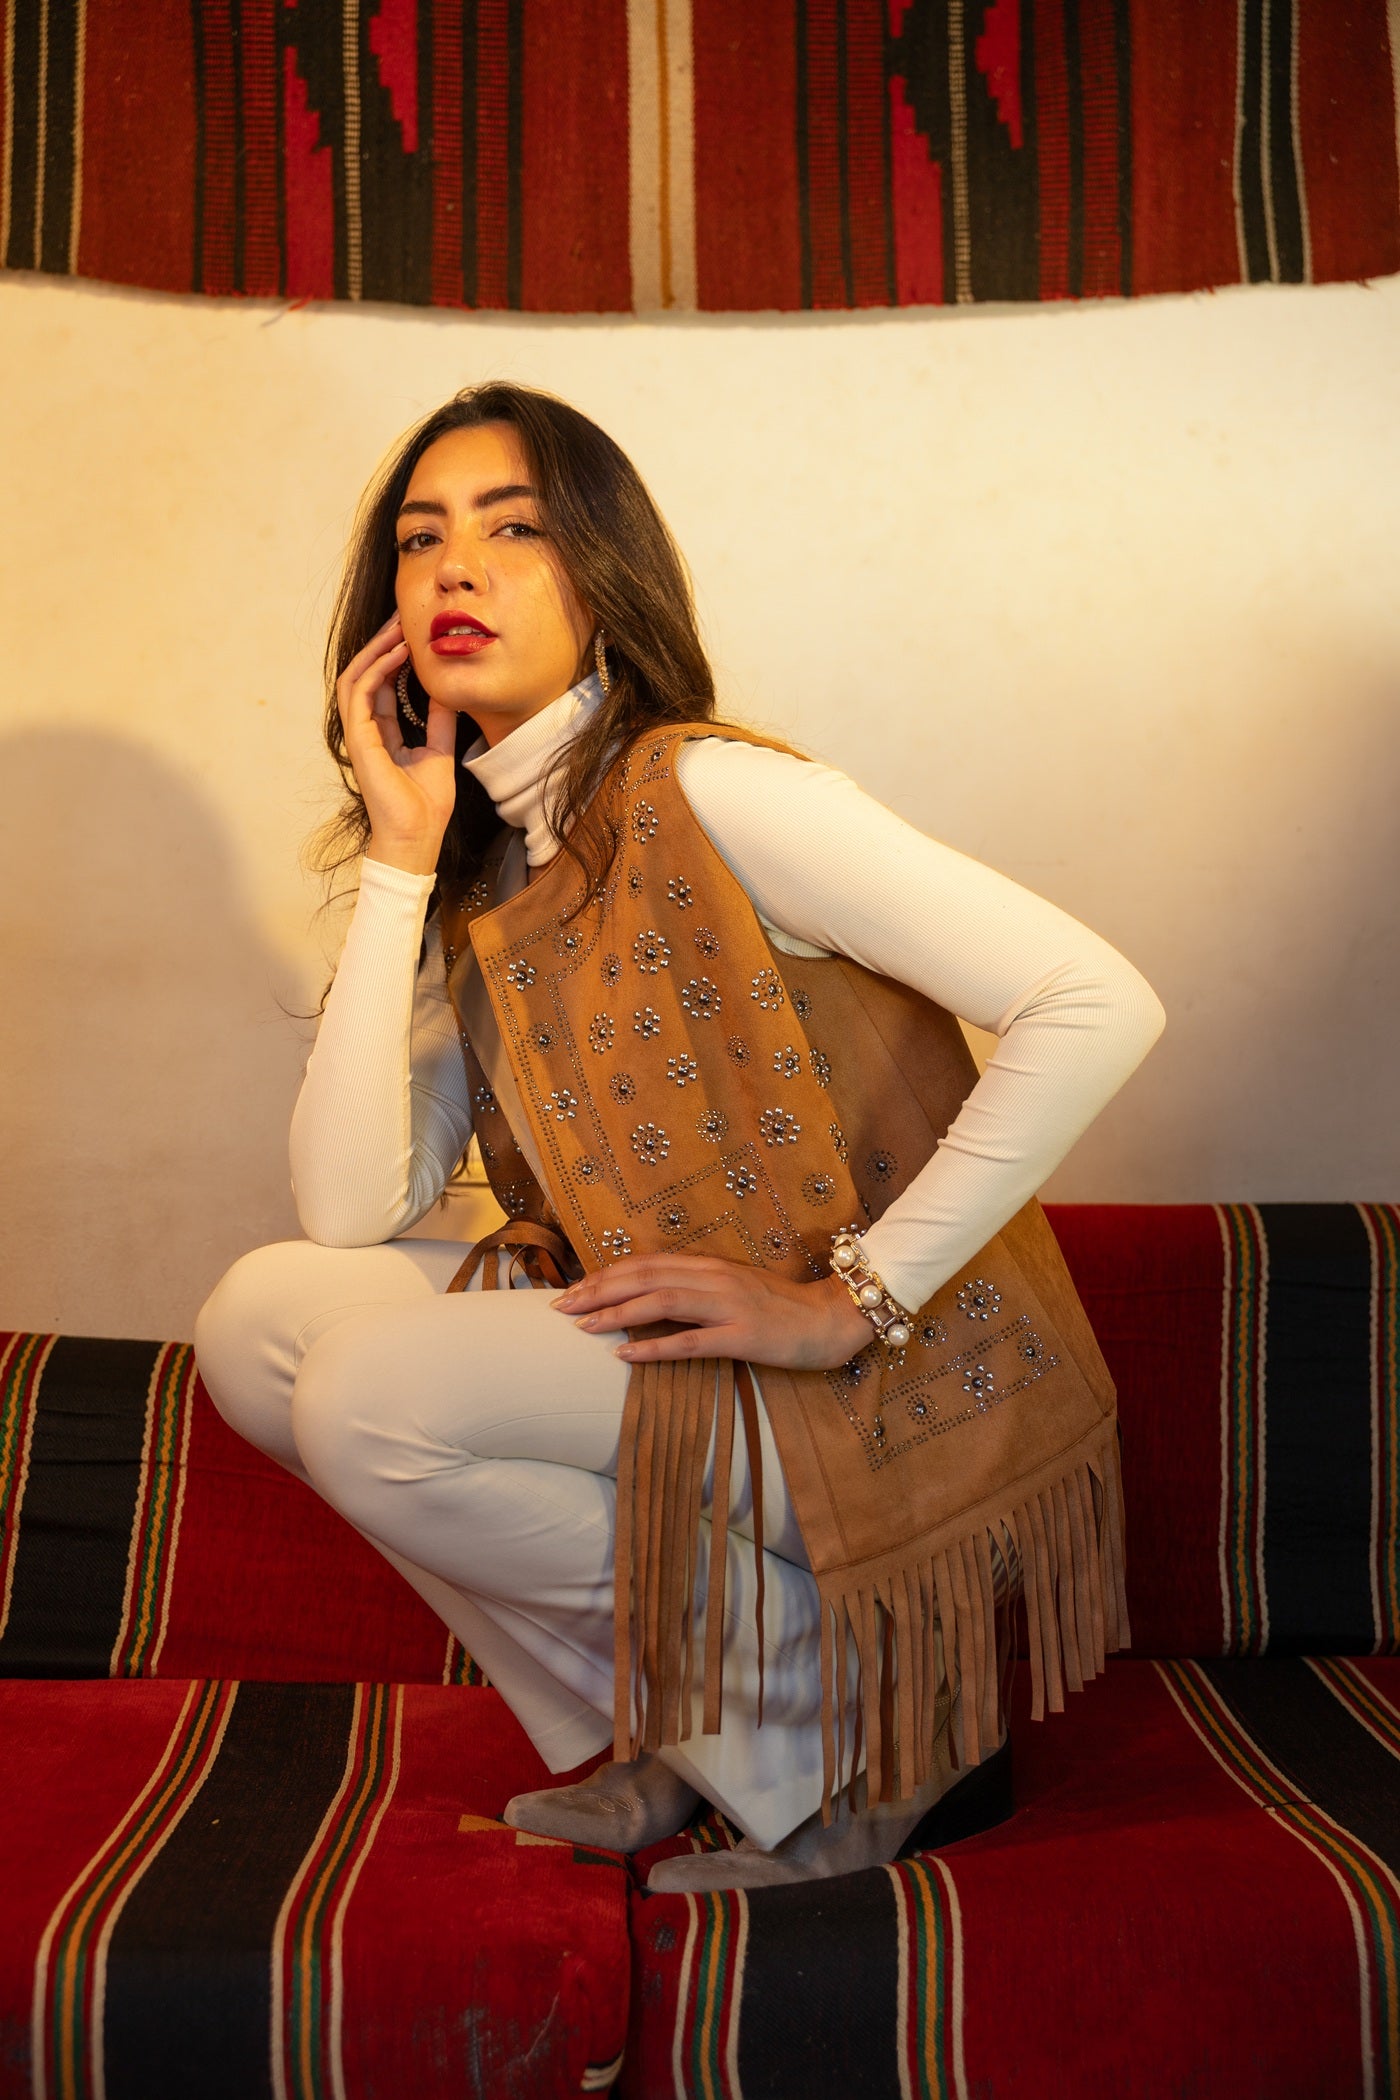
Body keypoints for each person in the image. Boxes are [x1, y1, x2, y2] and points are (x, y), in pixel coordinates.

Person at [194, 382, 1164, 1893]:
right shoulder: (486, 869)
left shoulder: (712, 791)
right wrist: (398, 857)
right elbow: (340, 1209)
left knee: (373, 1393)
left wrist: (846, 1302)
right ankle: (702, 1733)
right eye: (421, 538)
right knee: (257, 1324)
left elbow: (1094, 999)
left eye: (514, 529)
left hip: (880, 1384)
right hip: (702, 1371)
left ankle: (864, 1741)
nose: (455, 568)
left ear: (604, 576)